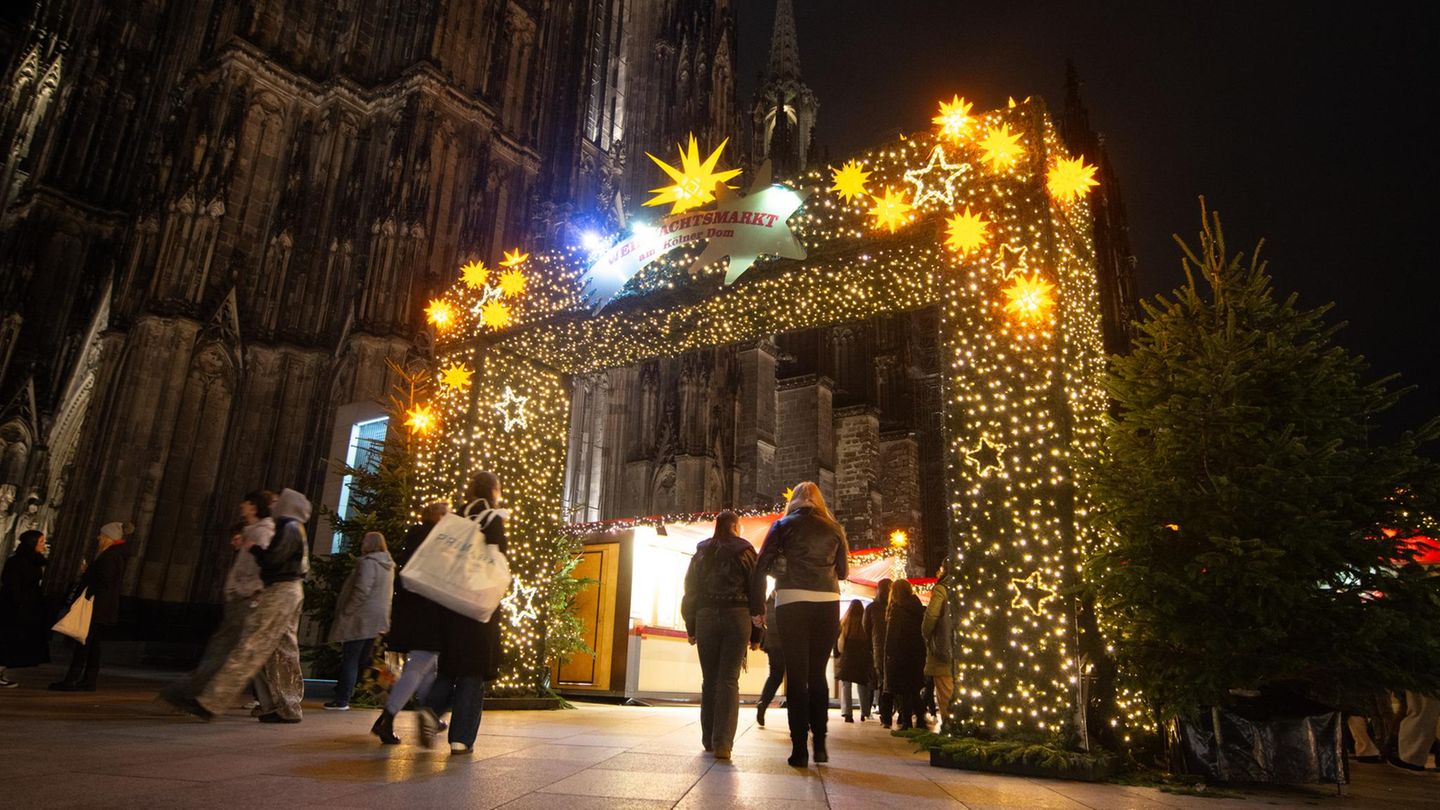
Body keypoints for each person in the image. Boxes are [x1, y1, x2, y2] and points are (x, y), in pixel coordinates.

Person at [186, 488, 310, 722]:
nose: (273, 506)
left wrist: (252, 547)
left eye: (278, 503)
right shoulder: (295, 528)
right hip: (290, 591)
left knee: (253, 645)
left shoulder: (289, 527)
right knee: (282, 651)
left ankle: (212, 701)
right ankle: (285, 707)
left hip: (281, 590)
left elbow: (273, 560)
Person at [751, 481, 849, 768]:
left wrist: (758, 609)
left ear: (793, 500)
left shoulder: (782, 526)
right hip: (827, 602)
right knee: (818, 674)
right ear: (819, 501)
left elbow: (761, 567)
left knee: (796, 676)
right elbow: (842, 571)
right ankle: (820, 745)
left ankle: (799, 750)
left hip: (792, 600)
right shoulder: (834, 529)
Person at [419, 472, 508, 755]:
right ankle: (461, 738)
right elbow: (498, 559)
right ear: (494, 489)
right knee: (473, 670)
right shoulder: (492, 518)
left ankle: (431, 708)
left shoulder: (455, 517)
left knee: (450, 664)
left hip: (450, 600)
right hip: (477, 602)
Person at [160, 494, 273, 706]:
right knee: (244, 651)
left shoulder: (261, 532)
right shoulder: (254, 532)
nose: (242, 507)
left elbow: (262, 566)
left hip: (246, 600)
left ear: (255, 507)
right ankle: (273, 702)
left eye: (247, 504)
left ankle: (191, 694)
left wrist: (247, 590)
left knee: (225, 649)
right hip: (243, 598)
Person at [681, 510, 759, 760]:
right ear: (736, 526)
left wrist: (691, 626)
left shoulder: (702, 552)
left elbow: (690, 590)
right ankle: (723, 743)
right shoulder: (746, 551)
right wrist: (757, 632)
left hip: (706, 617)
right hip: (737, 616)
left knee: (709, 679)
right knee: (728, 679)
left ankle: (708, 739)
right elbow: (757, 589)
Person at [372, 501, 449, 744]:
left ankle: (430, 715)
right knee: (419, 665)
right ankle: (388, 717)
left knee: (428, 668)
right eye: (446, 514)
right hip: (428, 611)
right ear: (437, 517)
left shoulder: (416, 537)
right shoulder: (435, 540)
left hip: (413, 610)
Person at [50, 521, 134, 691]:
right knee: (93, 645)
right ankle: (89, 681)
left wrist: (89, 580)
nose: (98, 538)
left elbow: (105, 580)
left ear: (109, 538)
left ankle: (71, 680)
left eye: (102, 535)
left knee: (84, 644)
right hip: (103, 607)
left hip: (96, 605)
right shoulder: (116, 555)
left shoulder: (110, 556)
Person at [325, 531, 394, 711]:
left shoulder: (368, 563)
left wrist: (347, 610)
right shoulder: (388, 565)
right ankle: (374, 696)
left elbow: (362, 589)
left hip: (361, 616)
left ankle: (342, 699)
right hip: (379, 617)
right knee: (366, 659)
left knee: (351, 657)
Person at [0, 530, 50, 686]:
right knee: (8, 640)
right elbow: (12, 585)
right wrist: (20, 603)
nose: (44, 545)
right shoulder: (17, 562)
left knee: (15, 642)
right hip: (15, 608)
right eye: (41, 541)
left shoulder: (35, 561)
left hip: (28, 607)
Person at [884, 579, 927, 731]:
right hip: (917, 654)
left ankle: (907, 721)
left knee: (903, 690)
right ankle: (921, 720)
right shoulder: (918, 608)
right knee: (914, 688)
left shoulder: (897, 610)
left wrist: (889, 653)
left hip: (901, 654)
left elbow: (892, 635)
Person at [922, 566, 955, 728]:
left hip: (944, 652)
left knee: (945, 696)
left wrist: (928, 636)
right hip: (967, 654)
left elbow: (930, 619)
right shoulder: (971, 588)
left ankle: (951, 731)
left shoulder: (942, 589)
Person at [835, 598, 872, 723]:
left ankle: (847, 713)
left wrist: (837, 654)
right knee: (862, 684)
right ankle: (864, 712)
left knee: (846, 685)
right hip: (861, 658)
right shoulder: (864, 623)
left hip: (847, 658)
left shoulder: (844, 622)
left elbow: (839, 642)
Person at [865, 578, 893, 727]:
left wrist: (869, 648)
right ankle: (894, 714)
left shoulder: (871, 608)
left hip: (878, 650)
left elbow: (866, 630)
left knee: (882, 681)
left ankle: (885, 715)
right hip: (894, 649)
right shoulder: (895, 606)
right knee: (891, 681)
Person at [755, 590, 784, 727]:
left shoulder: (770, 600)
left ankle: (763, 702)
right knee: (797, 676)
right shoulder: (788, 597)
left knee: (775, 675)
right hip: (787, 641)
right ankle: (801, 715)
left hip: (772, 641)